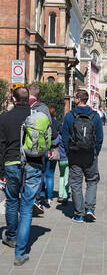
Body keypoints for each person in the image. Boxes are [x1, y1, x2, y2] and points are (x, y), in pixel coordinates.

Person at [0, 87, 45, 266]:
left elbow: (1, 147)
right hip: (33, 164)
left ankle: (11, 237)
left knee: (12, 201)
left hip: (11, 165)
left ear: (13, 99)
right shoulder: (38, 116)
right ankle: (20, 253)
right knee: (26, 207)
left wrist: (1, 171)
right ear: (28, 99)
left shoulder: (4, 118)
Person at [62, 90, 103, 223]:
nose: (73, 99)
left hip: (74, 155)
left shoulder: (69, 115)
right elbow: (99, 138)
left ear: (78, 99)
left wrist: (69, 152)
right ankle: (90, 209)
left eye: (74, 97)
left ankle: (79, 214)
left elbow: (65, 137)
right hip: (90, 155)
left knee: (76, 184)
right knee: (91, 181)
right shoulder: (95, 116)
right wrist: (95, 151)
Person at [28, 84, 56, 215]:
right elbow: (49, 128)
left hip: (24, 146)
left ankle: (27, 197)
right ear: (38, 94)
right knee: (39, 173)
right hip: (40, 147)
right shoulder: (44, 108)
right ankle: (36, 199)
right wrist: (49, 147)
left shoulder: (23, 105)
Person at [43, 106, 61, 206]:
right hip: (54, 151)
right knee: (50, 175)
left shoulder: (43, 122)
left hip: (44, 150)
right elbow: (61, 137)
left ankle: (42, 194)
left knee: (43, 173)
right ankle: (49, 197)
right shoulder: (58, 123)